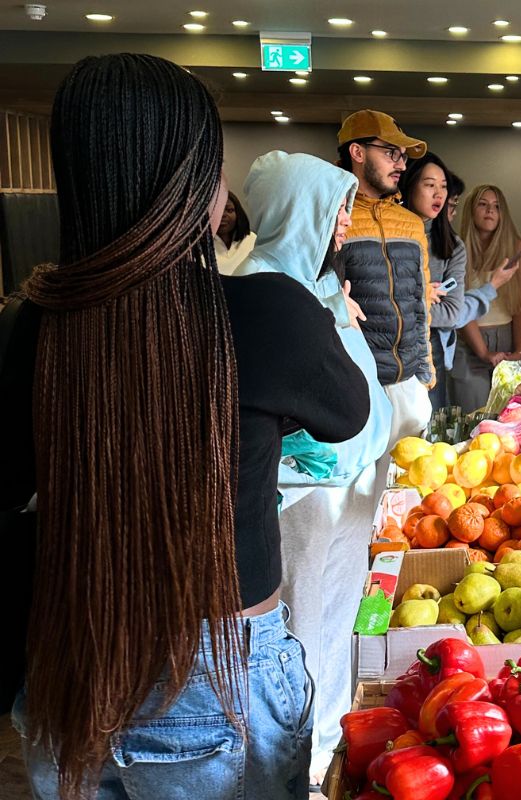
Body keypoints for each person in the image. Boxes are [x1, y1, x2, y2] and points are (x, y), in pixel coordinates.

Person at [9, 54, 369, 799]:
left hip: (68, 654)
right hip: (216, 669)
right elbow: (347, 413)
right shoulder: (265, 312)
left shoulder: (29, 325)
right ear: (198, 184)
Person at [234, 150, 392, 788]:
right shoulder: (260, 287)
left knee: (333, 620)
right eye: (335, 209)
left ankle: (326, 747)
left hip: (348, 483)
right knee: (296, 629)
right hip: (300, 494)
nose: (345, 223)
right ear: (298, 209)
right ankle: (295, 764)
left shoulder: (316, 280)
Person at [337, 110, 436, 447]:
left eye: (403, 156)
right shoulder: (335, 218)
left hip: (409, 384)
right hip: (357, 384)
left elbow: (420, 303)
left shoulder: (411, 223)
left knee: (413, 476)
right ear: (357, 152)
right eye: (391, 153)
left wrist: (424, 375)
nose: (402, 165)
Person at [400, 154, 518, 410]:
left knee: (431, 423)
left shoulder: (452, 246)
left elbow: (451, 313)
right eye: (430, 185)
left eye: (443, 187)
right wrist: (421, 299)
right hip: (388, 347)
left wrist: (405, 304)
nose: (439, 194)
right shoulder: (392, 236)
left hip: (432, 349)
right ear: (409, 185)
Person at [454, 184, 521, 411]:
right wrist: (483, 352)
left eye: (497, 207)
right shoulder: (457, 249)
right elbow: (460, 308)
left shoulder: (516, 247)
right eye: (483, 204)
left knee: (514, 415)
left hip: (510, 337)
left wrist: (519, 351)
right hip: (469, 342)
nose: (490, 211)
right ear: (471, 210)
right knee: (473, 416)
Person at [214, 191, 255, 275]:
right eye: (217, 210)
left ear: (238, 213)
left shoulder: (252, 240)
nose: (223, 215)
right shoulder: (197, 246)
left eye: (229, 210)